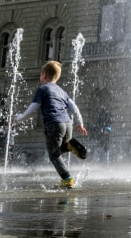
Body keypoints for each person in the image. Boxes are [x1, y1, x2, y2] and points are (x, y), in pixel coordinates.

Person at [14, 60, 88, 188]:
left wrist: (20, 118)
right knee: (59, 149)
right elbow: (74, 107)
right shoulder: (61, 91)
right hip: (67, 123)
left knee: (54, 155)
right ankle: (69, 144)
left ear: (44, 75)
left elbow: (33, 108)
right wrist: (80, 123)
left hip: (54, 124)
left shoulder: (42, 89)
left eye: (40, 74)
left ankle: (67, 179)